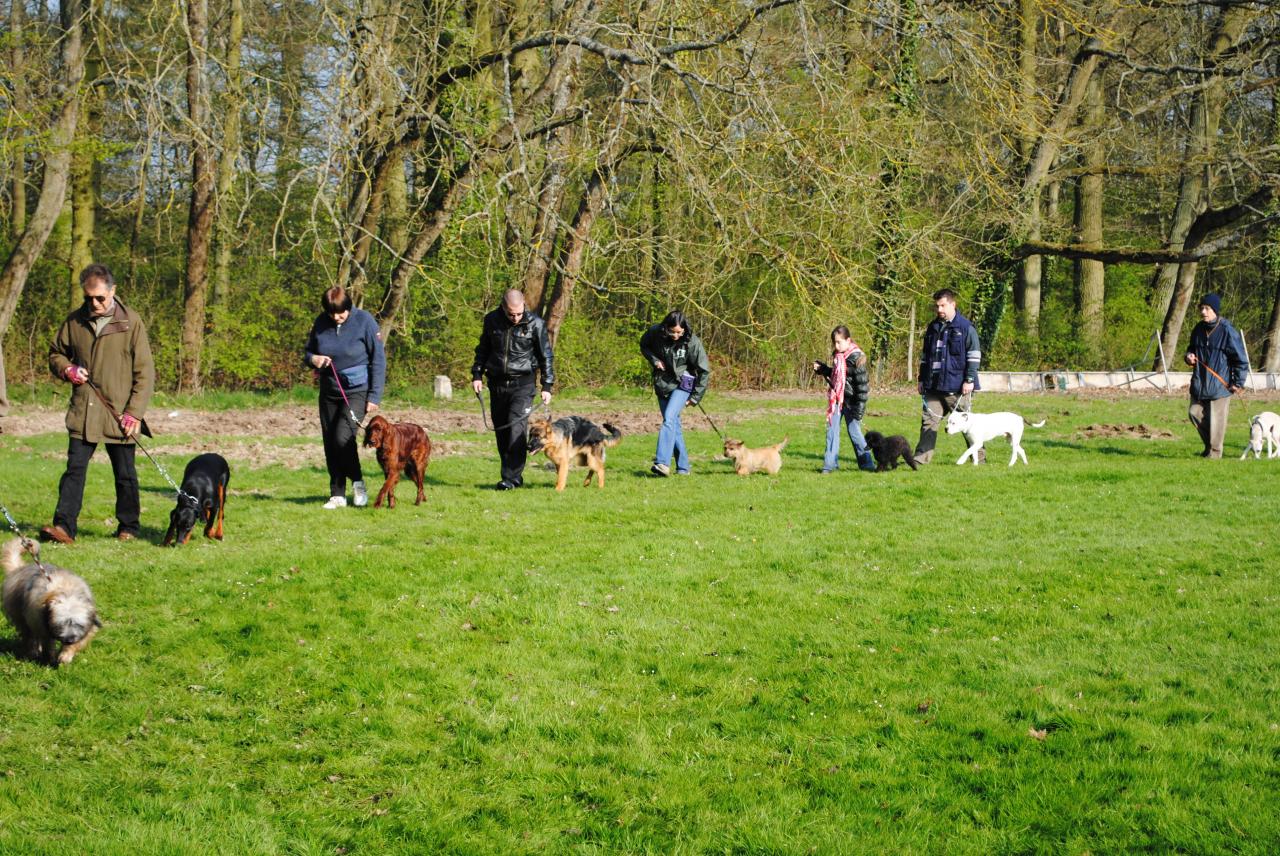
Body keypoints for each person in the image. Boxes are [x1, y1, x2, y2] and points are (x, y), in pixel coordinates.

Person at [42, 264, 155, 544]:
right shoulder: (74, 321)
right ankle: (64, 527)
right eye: (88, 297)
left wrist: (134, 413)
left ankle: (129, 526)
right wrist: (67, 369)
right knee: (74, 470)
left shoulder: (132, 323)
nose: (94, 303)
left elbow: (145, 372)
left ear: (113, 291)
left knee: (125, 474)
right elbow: (56, 353)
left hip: (119, 413)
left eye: (100, 297)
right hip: (83, 411)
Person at [304, 286, 386, 508]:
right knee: (331, 441)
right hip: (330, 391)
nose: (336, 317)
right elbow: (308, 351)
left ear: (348, 307)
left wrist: (374, 395)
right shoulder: (321, 322)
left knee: (343, 437)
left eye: (340, 313)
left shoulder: (365, 321)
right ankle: (337, 493)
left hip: (358, 390)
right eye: (332, 313)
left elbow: (378, 358)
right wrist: (314, 360)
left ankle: (358, 484)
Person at [471, 289, 555, 490]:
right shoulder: (491, 320)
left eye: (519, 313)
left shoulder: (536, 324)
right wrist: (477, 374)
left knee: (515, 429)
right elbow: (483, 349)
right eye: (511, 314)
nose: (516, 318)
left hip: (523, 384)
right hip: (497, 384)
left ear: (524, 305)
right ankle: (510, 474)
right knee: (502, 431)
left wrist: (547, 385)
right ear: (503, 307)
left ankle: (511, 478)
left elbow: (546, 356)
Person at [914, 288, 981, 464]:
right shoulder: (932, 327)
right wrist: (921, 379)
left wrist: (970, 380)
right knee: (928, 422)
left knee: (967, 425)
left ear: (953, 304)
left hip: (957, 387)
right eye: (937, 306)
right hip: (933, 386)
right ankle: (920, 460)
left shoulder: (966, 327)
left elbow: (974, 356)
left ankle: (979, 459)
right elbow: (925, 356)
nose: (939, 310)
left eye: (943, 305)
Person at [639, 311, 710, 476]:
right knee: (673, 425)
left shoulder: (692, 342)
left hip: (684, 383)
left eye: (679, 332)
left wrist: (696, 397)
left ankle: (662, 463)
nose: (676, 335)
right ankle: (683, 467)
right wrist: (654, 360)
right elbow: (644, 345)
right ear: (665, 327)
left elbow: (704, 370)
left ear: (684, 329)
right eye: (672, 331)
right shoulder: (655, 332)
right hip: (663, 384)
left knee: (669, 419)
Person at [1185, 292, 1249, 459]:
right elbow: (1191, 348)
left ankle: (1214, 454)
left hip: (1220, 386)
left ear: (1215, 310)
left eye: (1206, 308)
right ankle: (1210, 447)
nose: (1203, 312)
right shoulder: (1198, 329)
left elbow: (1241, 360)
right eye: (1201, 308)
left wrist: (1238, 382)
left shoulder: (1227, 330)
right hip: (1200, 383)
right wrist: (1189, 356)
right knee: (1194, 413)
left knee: (1216, 423)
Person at [813, 326, 875, 473]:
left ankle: (867, 464)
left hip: (852, 403)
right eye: (834, 342)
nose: (836, 346)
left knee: (855, 433)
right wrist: (823, 369)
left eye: (839, 342)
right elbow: (836, 377)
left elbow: (862, 388)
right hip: (837, 399)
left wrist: (859, 410)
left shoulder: (856, 359)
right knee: (831, 431)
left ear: (848, 340)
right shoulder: (838, 357)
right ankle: (829, 465)